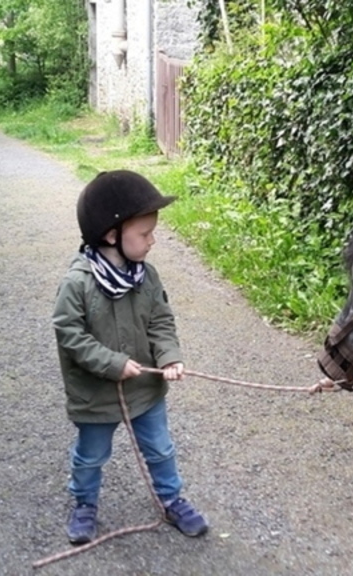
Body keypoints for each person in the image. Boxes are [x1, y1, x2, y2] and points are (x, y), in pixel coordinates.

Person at [52, 169, 208, 544]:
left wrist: (169, 357)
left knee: (160, 448)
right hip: (96, 396)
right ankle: (84, 504)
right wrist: (112, 363)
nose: (153, 240)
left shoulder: (147, 277)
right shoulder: (77, 284)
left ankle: (171, 499)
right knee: (91, 456)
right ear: (112, 235)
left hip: (145, 390)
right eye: (145, 233)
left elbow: (161, 321)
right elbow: (69, 334)